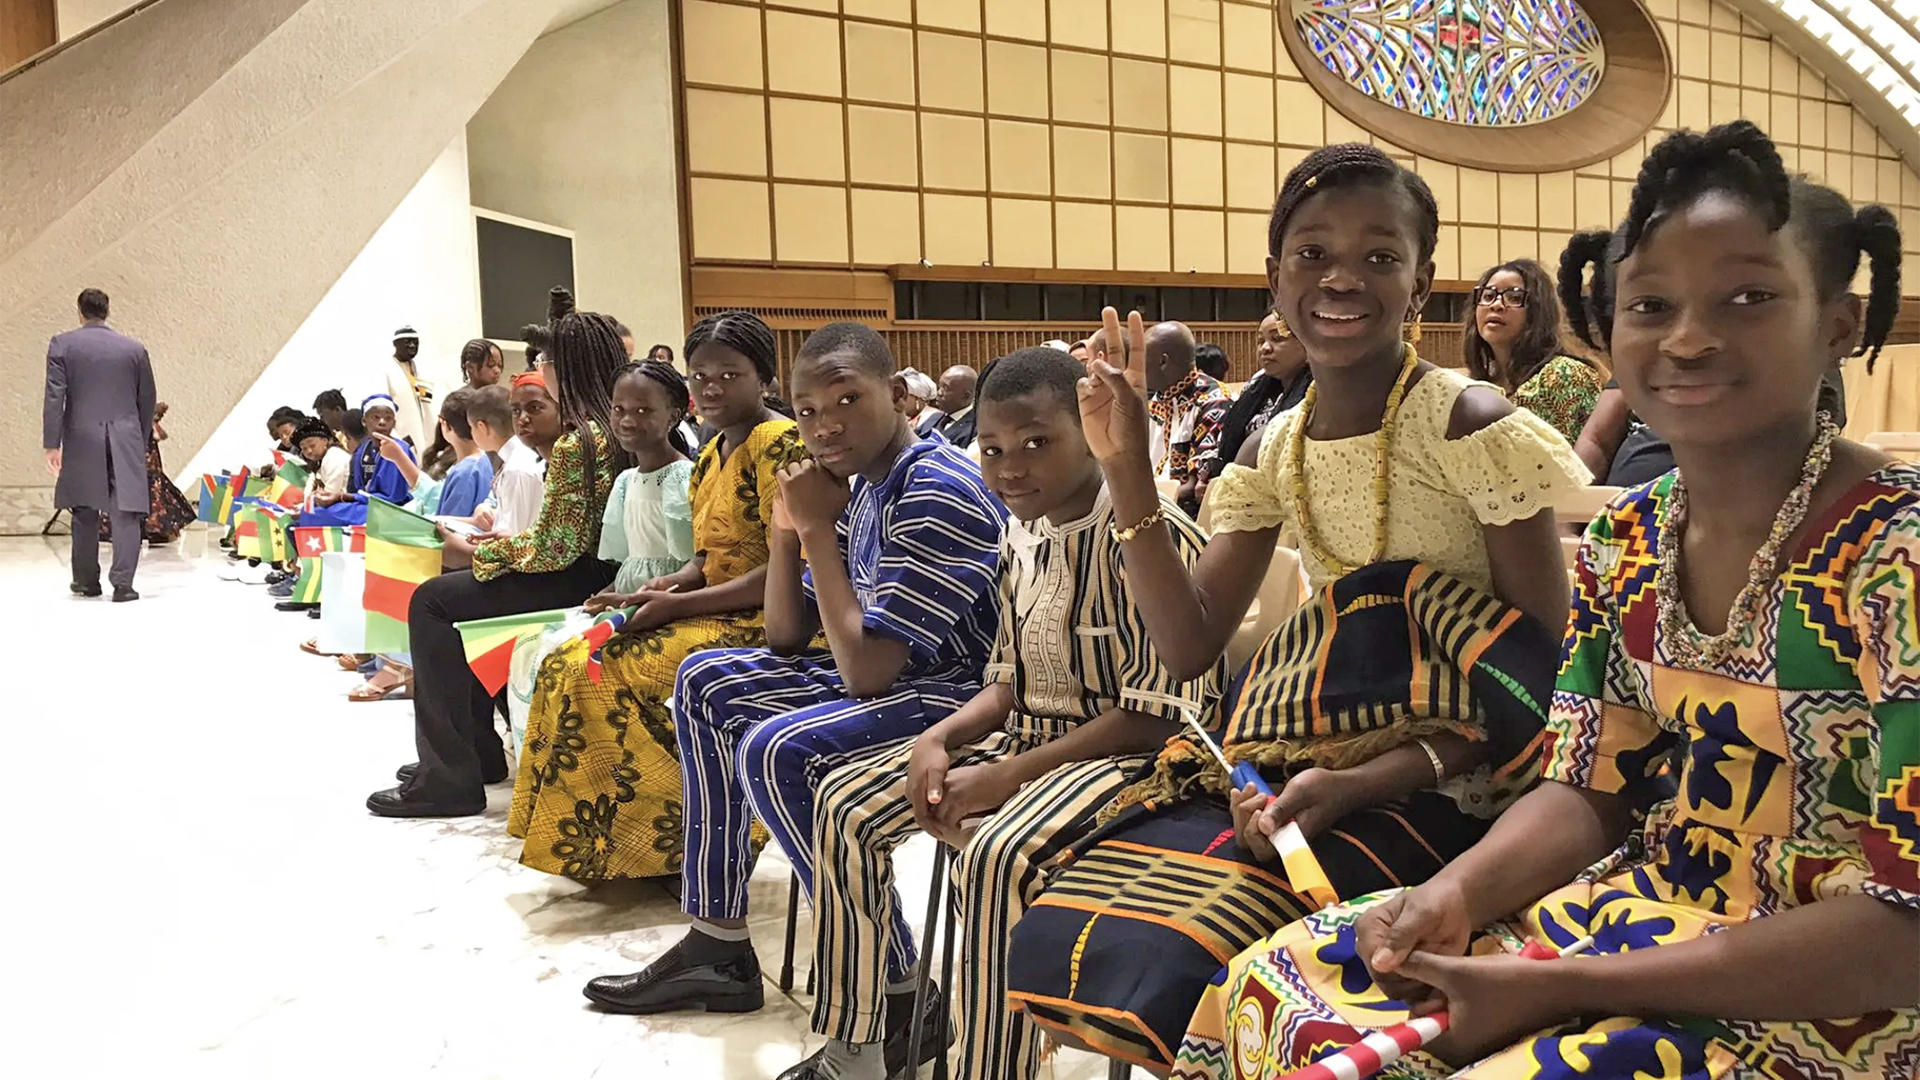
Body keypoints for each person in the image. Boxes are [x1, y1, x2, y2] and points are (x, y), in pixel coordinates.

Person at [1176, 121, 1920, 1080]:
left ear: (1839, 323)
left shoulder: (1895, 553)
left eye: (1748, 297)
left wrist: (1567, 989)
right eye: (1651, 304)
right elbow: (1587, 785)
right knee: (1272, 986)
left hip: (1835, 991)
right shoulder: (1629, 540)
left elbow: (1905, 933)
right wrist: (1452, 894)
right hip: (1643, 910)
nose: (1689, 337)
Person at [1003, 144, 1588, 1072]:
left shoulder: (1466, 422)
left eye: (1380, 257)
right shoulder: (1278, 444)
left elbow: (1547, 670)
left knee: (1182, 952)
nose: (1342, 277)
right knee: (1071, 910)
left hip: (1476, 778)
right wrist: (1124, 473)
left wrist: (1367, 782)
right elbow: (1190, 643)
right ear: (1274, 278)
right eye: (1311, 254)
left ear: (1422, 284)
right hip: (1327, 755)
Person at [788, 347, 1227, 1080]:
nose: (1010, 468)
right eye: (991, 449)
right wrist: (940, 735)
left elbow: (1155, 716)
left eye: (1036, 444)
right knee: (841, 802)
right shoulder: (1018, 535)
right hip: (1034, 742)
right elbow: (1007, 683)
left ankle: (992, 1069)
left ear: (1091, 433)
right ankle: (861, 1045)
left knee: (995, 855)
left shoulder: (1150, 536)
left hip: (1137, 761)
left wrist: (1006, 779)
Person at [581, 324, 1005, 1048]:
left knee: (780, 750)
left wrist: (812, 532)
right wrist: (787, 531)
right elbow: (784, 634)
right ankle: (718, 941)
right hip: (898, 677)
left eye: (847, 399)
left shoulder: (936, 487)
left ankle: (901, 988)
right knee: (707, 680)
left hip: (964, 696)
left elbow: (868, 671)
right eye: (806, 410)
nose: (824, 425)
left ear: (898, 395)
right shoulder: (860, 484)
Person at [510, 314, 804, 878]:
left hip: (769, 616)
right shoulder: (715, 451)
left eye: (729, 374)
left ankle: (683, 844)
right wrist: (657, 588)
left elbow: (786, 569)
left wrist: (676, 605)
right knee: (568, 657)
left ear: (764, 378)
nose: (711, 387)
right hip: (717, 604)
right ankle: (618, 843)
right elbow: (706, 557)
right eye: (700, 376)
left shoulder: (778, 444)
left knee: (597, 668)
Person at [367, 288, 625, 818]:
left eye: (545, 362)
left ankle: (450, 776)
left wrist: (483, 554)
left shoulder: (581, 440)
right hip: (597, 569)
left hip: (577, 578)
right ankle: (471, 755)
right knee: (445, 600)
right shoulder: (608, 428)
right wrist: (503, 547)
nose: (539, 368)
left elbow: (556, 547)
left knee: (433, 601)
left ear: (567, 367)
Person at [45, 287, 156, 602]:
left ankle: (86, 581)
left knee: (83, 507)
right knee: (127, 510)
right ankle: (123, 584)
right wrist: (141, 435)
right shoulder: (133, 349)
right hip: (126, 435)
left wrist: (52, 443)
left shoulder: (62, 344)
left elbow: (55, 396)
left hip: (82, 435)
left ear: (80, 312)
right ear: (107, 311)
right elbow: (146, 397)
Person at [1463, 258, 1604, 442]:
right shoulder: (1473, 384)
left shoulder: (1564, 374)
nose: (1496, 305)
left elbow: (1570, 461)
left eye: (1514, 298)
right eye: (1488, 296)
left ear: (1537, 311)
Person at [1193, 310, 1311, 505]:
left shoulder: (1320, 391)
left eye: (1277, 339)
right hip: (1236, 491)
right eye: (1260, 340)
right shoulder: (1257, 385)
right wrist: (1210, 475)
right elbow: (1227, 441)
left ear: (1307, 345)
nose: (1265, 348)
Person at [1138, 319, 1232, 515]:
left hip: (1184, 516)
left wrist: (1142, 501)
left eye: (1141, 357)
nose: (1137, 366)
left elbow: (1195, 486)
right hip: (1155, 505)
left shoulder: (1213, 401)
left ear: (1163, 362)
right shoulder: (1155, 400)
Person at [297, 395, 415, 527]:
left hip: (391, 509)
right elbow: (354, 490)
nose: (382, 422)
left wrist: (343, 497)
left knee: (320, 514)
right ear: (364, 421)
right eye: (376, 417)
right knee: (311, 510)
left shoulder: (399, 450)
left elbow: (393, 498)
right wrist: (336, 497)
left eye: (388, 418)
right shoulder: (362, 450)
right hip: (364, 504)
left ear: (394, 423)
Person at [125, 401, 195, 545]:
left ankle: (152, 530)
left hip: (146, 466)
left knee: (151, 492)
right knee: (150, 491)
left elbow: (160, 435)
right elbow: (160, 436)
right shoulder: (138, 422)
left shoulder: (139, 423)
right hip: (144, 465)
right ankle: (152, 530)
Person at [385, 324, 432, 449]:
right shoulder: (387, 371)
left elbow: (428, 404)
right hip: (402, 440)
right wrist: (398, 438)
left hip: (428, 438)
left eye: (415, 342)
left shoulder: (422, 371)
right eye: (407, 342)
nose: (412, 346)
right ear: (396, 344)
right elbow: (383, 411)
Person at [928, 364, 980, 449]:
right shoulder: (933, 419)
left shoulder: (976, 428)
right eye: (940, 386)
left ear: (966, 396)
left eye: (946, 388)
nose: (939, 393)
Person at [896, 367, 940, 435]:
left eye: (903, 395)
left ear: (918, 397)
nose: (898, 399)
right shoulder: (903, 419)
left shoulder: (935, 418)